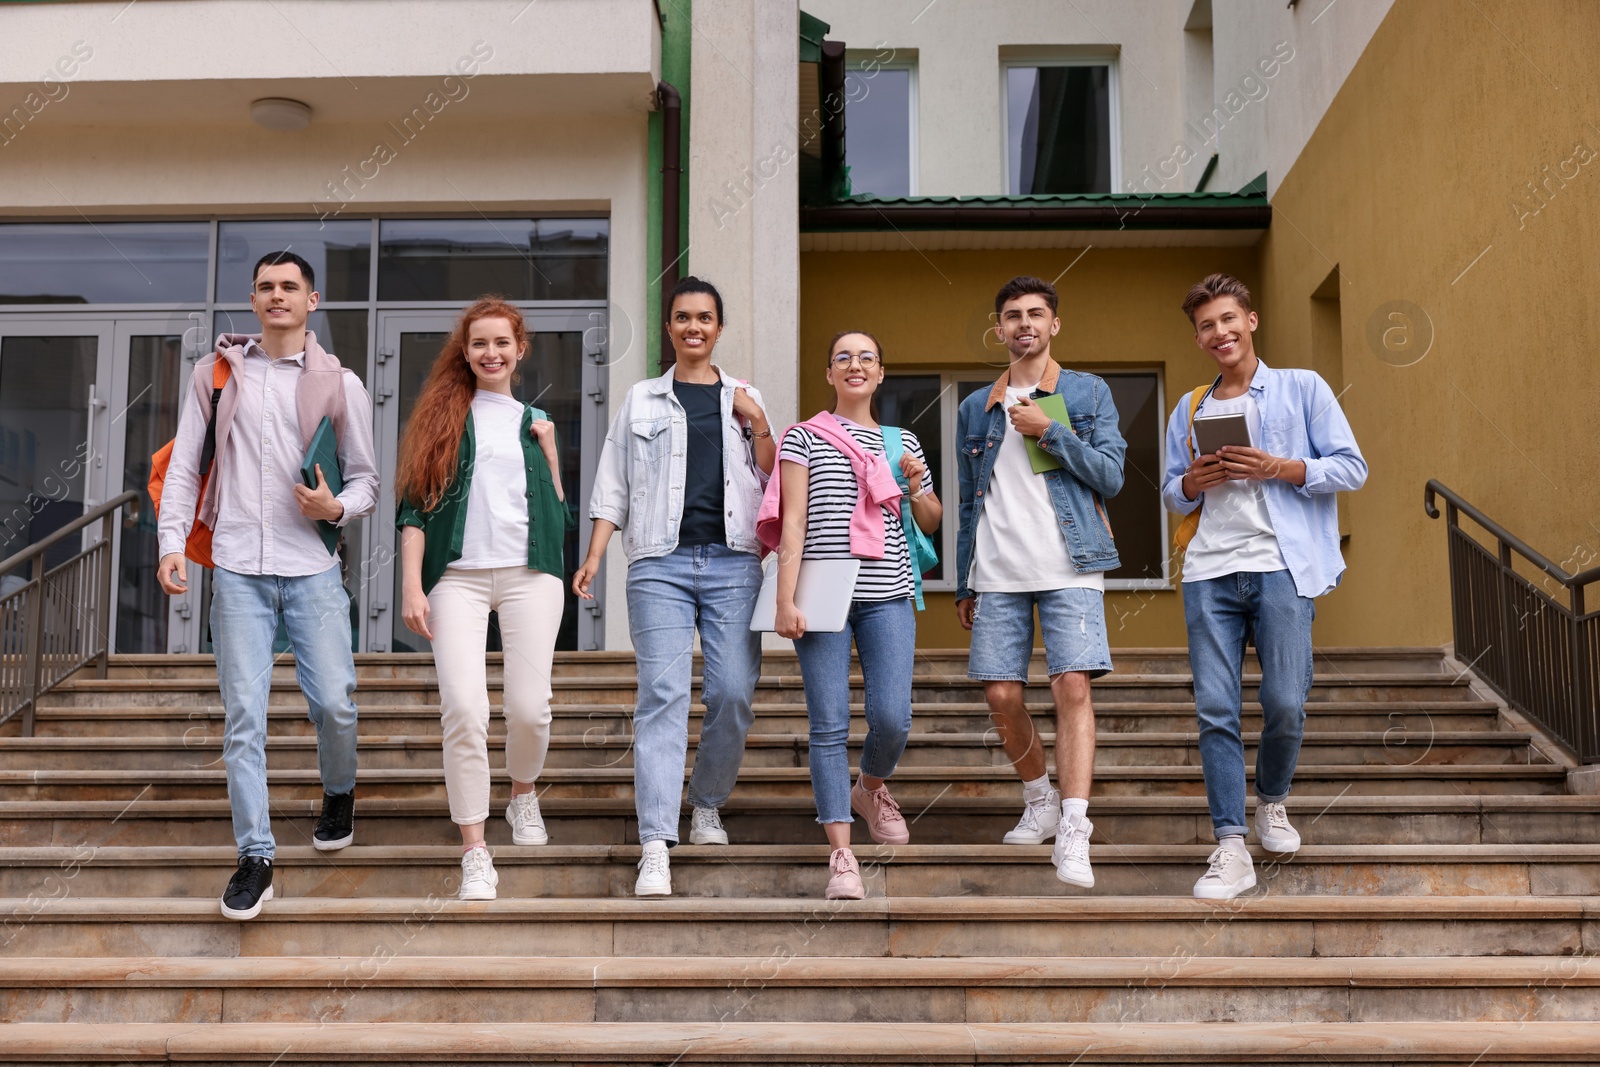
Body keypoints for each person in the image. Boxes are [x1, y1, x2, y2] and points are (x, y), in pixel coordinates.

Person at [156, 251, 378, 921]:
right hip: (238, 570)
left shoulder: (341, 382)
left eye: (289, 287)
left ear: (313, 301)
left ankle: (339, 788)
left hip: (310, 567)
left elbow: (367, 478)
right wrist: (172, 543)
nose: (276, 296)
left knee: (335, 702)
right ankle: (256, 855)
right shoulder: (217, 375)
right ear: (253, 300)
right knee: (243, 718)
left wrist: (334, 509)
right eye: (265, 287)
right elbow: (185, 471)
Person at [1163, 273, 1367, 901]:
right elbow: (1172, 492)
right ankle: (1229, 845)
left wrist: (1281, 467)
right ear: (1198, 338)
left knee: (1284, 700)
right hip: (1209, 570)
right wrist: (1194, 481)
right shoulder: (1191, 406)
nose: (1219, 333)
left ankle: (1271, 802)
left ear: (1250, 321)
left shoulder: (1302, 387)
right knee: (1216, 710)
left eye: (1228, 319)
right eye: (1206, 326)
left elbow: (1352, 468)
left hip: (1282, 564)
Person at [573, 276, 775, 897]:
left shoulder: (745, 397)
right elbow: (614, 483)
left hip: (735, 563)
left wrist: (760, 423)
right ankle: (656, 840)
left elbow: (776, 480)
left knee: (734, 693)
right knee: (662, 695)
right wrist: (595, 554)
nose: (694, 327)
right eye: (683, 318)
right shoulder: (640, 399)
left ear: (719, 328)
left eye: (705, 318)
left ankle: (706, 801)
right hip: (658, 563)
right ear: (670, 328)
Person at [395, 297, 572, 901]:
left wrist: (549, 451)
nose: (490, 353)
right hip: (458, 579)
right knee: (465, 710)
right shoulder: (442, 418)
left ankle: (523, 793)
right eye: (479, 344)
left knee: (530, 708)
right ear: (464, 352)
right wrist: (412, 584)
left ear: (520, 350)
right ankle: (475, 848)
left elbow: (555, 507)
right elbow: (414, 509)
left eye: (502, 343)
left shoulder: (536, 419)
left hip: (531, 574)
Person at [955, 276, 1125, 890]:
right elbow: (970, 500)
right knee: (1001, 696)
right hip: (997, 571)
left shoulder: (1087, 391)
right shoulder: (976, 407)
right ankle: (1039, 796)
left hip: (1069, 565)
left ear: (1054, 324)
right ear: (998, 329)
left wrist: (1048, 430)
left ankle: (1074, 829)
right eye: (1011, 316)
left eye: (1035, 314)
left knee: (1071, 684)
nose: (1023, 324)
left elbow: (1111, 476)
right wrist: (965, 581)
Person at [761, 330, 942, 900]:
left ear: (881, 373)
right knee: (829, 723)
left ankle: (870, 787)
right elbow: (793, 525)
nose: (856, 365)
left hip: (888, 590)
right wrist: (784, 600)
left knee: (893, 718)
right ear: (830, 373)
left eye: (867, 357)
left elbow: (932, 521)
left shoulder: (902, 441)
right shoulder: (803, 440)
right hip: (821, 594)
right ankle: (841, 853)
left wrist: (915, 486)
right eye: (844, 357)